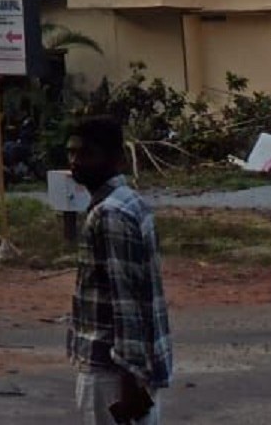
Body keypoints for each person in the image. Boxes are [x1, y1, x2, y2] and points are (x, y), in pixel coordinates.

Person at [67, 115, 173, 423]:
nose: (75, 162)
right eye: (72, 152)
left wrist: (130, 379)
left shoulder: (110, 214)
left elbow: (126, 301)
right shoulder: (128, 202)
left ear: (115, 159)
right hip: (123, 368)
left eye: (87, 153)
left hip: (111, 371)